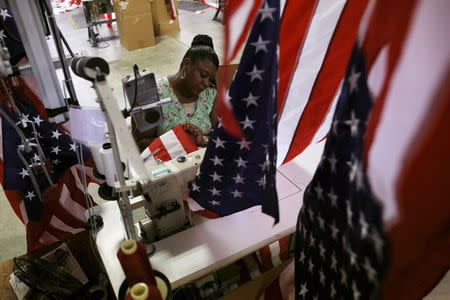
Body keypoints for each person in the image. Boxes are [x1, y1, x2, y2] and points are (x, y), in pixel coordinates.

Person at [132, 34, 219, 151]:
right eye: (203, 75)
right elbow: (141, 144)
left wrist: (202, 139)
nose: (206, 83)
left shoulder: (210, 94)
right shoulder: (153, 93)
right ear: (186, 65)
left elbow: (219, 136)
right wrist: (182, 141)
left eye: (210, 79)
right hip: (165, 165)